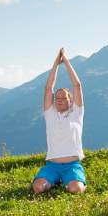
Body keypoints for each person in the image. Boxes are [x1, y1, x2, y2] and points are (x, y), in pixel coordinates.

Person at [32, 48, 87, 194]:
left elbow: (77, 85)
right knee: (37, 187)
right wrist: (56, 63)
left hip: (72, 165)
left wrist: (66, 61)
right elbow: (48, 88)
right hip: (52, 166)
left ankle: (69, 182)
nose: (60, 100)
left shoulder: (77, 112)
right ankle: (56, 181)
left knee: (76, 189)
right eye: (57, 98)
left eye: (64, 98)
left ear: (70, 100)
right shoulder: (50, 113)